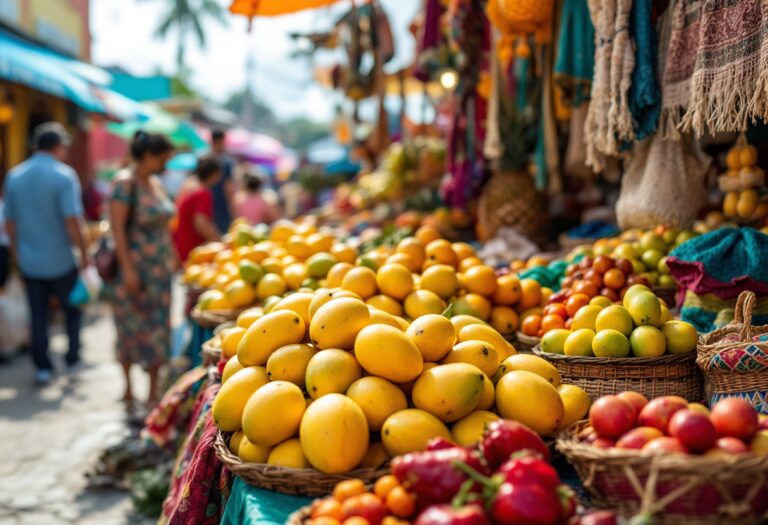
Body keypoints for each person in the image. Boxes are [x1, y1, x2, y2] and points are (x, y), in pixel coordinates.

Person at [3, 122, 89, 384]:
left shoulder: (14, 176)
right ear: (58, 146)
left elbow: (9, 222)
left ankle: (43, 368)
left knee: (37, 314)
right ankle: (72, 360)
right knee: (72, 310)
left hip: (29, 261)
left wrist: (17, 253)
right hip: (61, 259)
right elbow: (73, 221)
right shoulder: (64, 175)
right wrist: (85, 254)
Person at [110, 131, 175, 410]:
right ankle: (127, 388)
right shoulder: (125, 183)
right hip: (134, 269)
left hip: (159, 272)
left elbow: (163, 227)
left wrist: (174, 258)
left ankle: (152, 391)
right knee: (129, 327)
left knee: (158, 329)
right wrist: (128, 270)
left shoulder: (155, 183)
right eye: (163, 158)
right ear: (148, 156)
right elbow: (117, 230)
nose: (166, 164)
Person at [173, 156, 222, 262]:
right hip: (193, 248)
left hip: (180, 243)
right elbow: (201, 223)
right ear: (214, 174)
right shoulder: (202, 193)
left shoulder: (188, 184)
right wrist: (219, 241)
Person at [209, 129, 235, 233]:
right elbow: (229, 188)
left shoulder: (203, 158)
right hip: (220, 207)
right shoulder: (226, 163)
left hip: (206, 205)